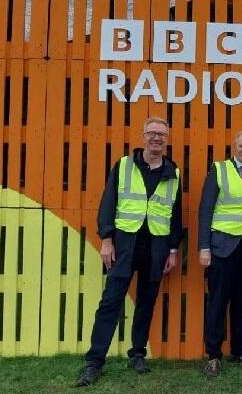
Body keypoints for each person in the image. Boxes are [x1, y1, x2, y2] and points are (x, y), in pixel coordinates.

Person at [76, 116, 182, 387]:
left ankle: (137, 354)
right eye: (152, 133)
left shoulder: (173, 171)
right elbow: (108, 203)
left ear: (166, 140)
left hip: (156, 246)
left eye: (161, 134)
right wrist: (107, 240)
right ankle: (94, 361)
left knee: (146, 303)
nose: (156, 138)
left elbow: (176, 214)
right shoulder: (123, 165)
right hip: (125, 244)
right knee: (110, 302)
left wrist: (172, 249)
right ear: (143, 136)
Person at [199, 130, 242, 376]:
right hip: (222, 247)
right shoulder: (219, 170)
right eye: (241, 146)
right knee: (218, 302)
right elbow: (205, 210)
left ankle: (239, 351)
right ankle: (213, 355)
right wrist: (204, 247)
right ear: (234, 147)